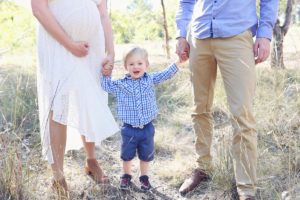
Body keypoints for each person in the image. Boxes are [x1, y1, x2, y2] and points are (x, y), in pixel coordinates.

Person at [175, 0, 279, 199]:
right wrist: (181, 34)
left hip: (237, 35)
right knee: (200, 108)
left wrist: (264, 35)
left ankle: (246, 187)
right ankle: (202, 166)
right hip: (200, 35)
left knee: (242, 114)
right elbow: (186, 2)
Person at [31, 0, 119, 197]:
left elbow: (102, 11)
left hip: (92, 46)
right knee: (58, 104)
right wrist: (70, 44)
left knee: (89, 100)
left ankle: (91, 160)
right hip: (57, 42)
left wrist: (111, 52)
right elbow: (38, 8)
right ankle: (58, 177)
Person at [101, 46, 185, 191]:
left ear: (146, 65)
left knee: (146, 155)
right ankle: (126, 175)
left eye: (139, 63)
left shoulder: (150, 79)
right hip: (129, 129)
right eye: (131, 64)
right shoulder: (121, 84)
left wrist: (179, 61)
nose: (136, 67)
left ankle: (144, 177)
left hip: (147, 128)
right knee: (126, 155)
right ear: (126, 67)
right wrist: (106, 73)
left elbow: (166, 74)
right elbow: (106, 86)